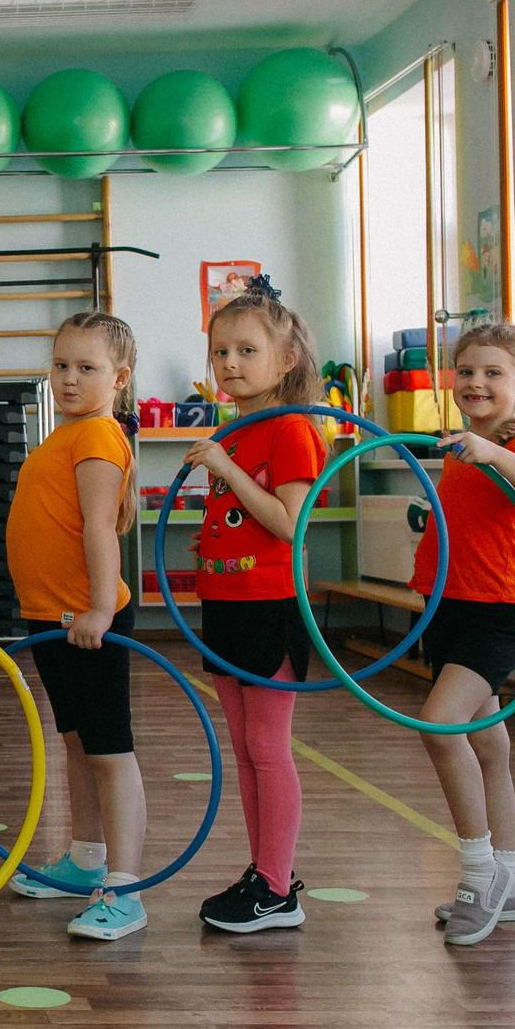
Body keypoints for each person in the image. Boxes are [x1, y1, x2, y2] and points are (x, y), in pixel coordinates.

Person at [413, 324, 515, 945]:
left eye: (493, 373)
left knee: (439, 724)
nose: (476, 383)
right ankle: (509, 880)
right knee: (490, 749)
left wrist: (499, 455)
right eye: (466, 371)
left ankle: (479, 874)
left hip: (496, 613)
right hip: (446, 611)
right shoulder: (462, 446)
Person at [3, 313, 151, 939]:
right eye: (61, 364)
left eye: (85, 368)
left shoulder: (97, 437)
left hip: (88, 618)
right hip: (53, 617)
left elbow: (99, 526)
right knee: (76, 744)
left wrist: (97, 607)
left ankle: (125, 889)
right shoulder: (64, 437)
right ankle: (86, 857)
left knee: (109, 752)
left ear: (118, 378)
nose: (67, 378)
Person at [187, 279, 327, 934]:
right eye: (220, 352)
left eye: (246, 350)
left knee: (267, 745)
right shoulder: (236, 430)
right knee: (244, 746)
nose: (230, 363)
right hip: (227, 603)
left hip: (270, 605)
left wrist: (229, 471)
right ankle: (263, 874)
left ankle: (276, 885)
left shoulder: (290, 429)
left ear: (286, 358)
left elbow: (288, 522)